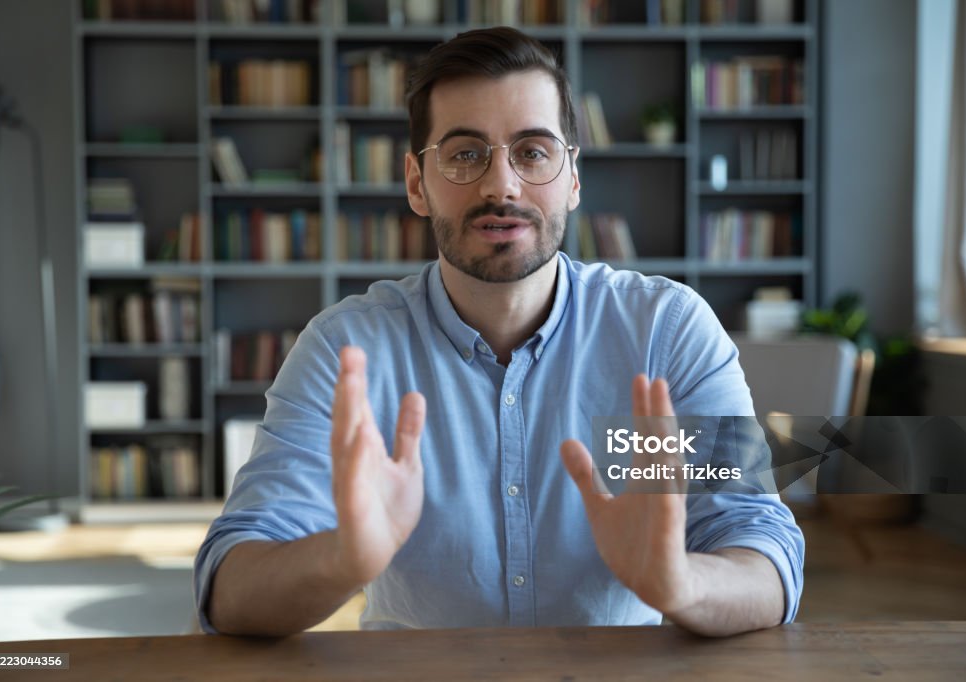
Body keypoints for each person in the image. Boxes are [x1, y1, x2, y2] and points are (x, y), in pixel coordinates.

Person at [194, 26, 804, 638]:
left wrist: (682, 584)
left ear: (572, 177)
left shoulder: (665, 332)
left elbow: (764, 553)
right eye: (465, 153)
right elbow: (229, 585)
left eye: (533, 151)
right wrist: (341, 560)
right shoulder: (346, 350)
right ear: (416, 184)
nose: (501, 185)